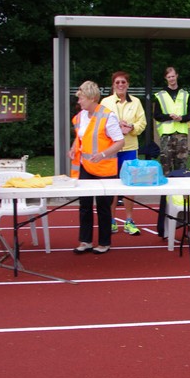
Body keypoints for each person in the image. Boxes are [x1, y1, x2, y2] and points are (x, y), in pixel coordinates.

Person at [70, 81, 124, 254]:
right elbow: (81, 137)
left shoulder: (107, 116)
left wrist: (103, 154)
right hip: (85, 166)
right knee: (84, 205)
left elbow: (120, 142)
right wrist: (73, 147)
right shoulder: (80, 116)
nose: (79, 101)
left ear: (92, 98)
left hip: (104, 169)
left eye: (81, 98)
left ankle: (104, 242)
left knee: (103, 206)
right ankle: (85, 240)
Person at [101, 71, 147, 235]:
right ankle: (111, 221)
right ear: (113, 85)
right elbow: (100, 123)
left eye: (123, 82)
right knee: (112, 186)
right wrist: (116, 128)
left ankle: (129, 220)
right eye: (117, 82)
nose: (120, 85)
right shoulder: (105, 102)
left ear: (128, 84)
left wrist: (132, 127)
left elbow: (142, 123)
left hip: (129, 148)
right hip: (111, 149)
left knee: (129, 185)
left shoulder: (136, 102)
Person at [153, 66, 190, 174]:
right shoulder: (160, 95)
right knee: (166, 165)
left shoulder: (185, 95)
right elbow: (156, 115)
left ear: (177, 76)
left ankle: (180, 185)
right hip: (166, 134)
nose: (171, 79)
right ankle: (166, 185)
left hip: (181, 134)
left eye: (173, 76)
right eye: (169, 77)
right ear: (165, 78)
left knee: (181, 165)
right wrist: (169, 116)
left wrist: (181, 118)